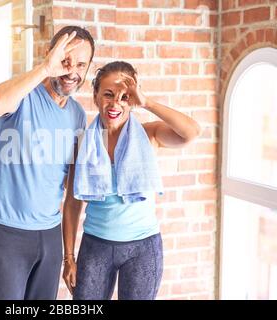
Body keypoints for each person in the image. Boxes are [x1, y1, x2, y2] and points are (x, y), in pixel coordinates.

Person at [62, 61, 201, 300]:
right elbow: (73, 204)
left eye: (125, 97)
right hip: (96, 245)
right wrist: (69, 258)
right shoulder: (83, 144)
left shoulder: (150, 135)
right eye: (108, 94)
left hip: (143, 248)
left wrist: (146, 102)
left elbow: (191, 132)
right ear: (95, 96)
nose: (115, 103)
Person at [0, 26, 95, 300]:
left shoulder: (77, 115)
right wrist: (45, 68)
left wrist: (69, 254)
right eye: (65, 61)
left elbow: (72, 190)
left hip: (49, 235)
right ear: (50, 56)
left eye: (80, 64)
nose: (71, 71)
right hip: (5, 231)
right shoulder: (23, 94)